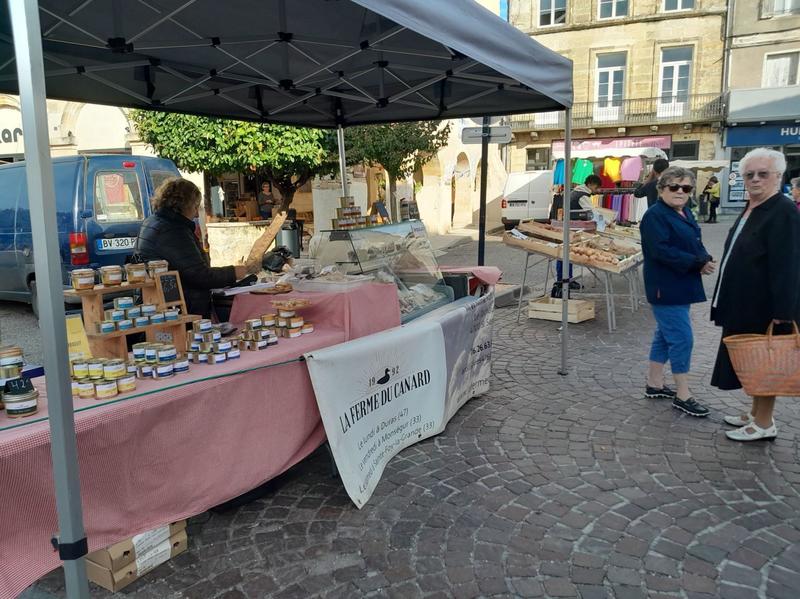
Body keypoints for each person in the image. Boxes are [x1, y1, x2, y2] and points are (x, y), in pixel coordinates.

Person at [710, 148, 800, 441]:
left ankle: (764, 423)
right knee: (753, 360)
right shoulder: (753, 207)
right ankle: (754, 412)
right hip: (745, 303)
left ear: (778, 176)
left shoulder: (783, 211)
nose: (755, 180)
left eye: (763, 174)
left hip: (766, 306)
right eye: (749, 175)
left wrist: (784, 311)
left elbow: (788, 264)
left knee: (766, 363)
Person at [640, 166, 716, 418]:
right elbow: (661, 250)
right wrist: (697, 263)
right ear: (662, 189)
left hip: (680, 284)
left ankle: (654, 383)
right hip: (666, 286)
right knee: (682, 337)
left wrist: (704, 257)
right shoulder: (655, 215)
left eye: (686, 188)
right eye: (674, 187)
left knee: (665, 333)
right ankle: (683, 394)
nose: (680, 192)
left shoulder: (684, 212)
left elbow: (693, 240)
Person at [135, 178, 257, 319]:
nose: (197, 214)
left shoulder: (153, 222)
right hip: (179, 310)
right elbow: (198, 274)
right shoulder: (173, 230)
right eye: (195, 207)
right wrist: (234, 272)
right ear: (184, 205)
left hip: (159, 304)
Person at [552, 174, 602, 297]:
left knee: (565, 255)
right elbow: (593, 213)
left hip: (566, 228)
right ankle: (564, 280)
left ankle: (565, 279)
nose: (597, 191)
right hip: (572, 229)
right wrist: (605, 222)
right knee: (566, 255)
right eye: (597, 188)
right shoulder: (582, 196)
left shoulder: (575, 191)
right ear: (591, 184)